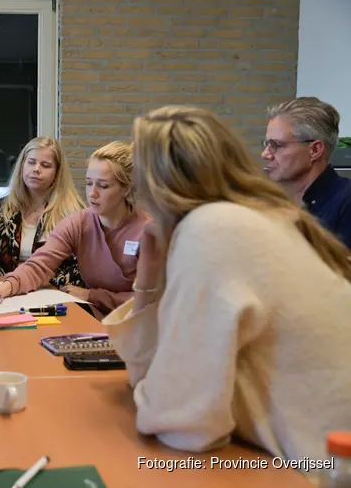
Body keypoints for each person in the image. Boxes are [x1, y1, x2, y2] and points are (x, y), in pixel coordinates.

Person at [103, 105, 351, 464]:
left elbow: (182, 422)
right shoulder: (252, 216)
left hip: (319, 468)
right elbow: (153, 376)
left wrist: (154, 391)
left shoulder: (214, 230)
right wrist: (149, 272)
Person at [0, 141, 150, 317]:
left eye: (103, 186)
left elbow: (151, 299)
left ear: (126, 189)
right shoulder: (79, 223)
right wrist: (6, 287)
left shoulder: (148, 232)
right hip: (96, 315)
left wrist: (93, 295)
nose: (92, 193)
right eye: (88, 183)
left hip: (139, 322)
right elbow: (39, 264)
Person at [0, 136, 85, 289]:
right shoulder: (1, 208)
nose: (36, 169)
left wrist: (30, 283)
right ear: (22, 166)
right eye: (31, 162)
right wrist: (8, 284)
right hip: (5, 292)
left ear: (57, 173)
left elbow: (81, 269)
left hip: (53, 295)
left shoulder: (73, 213)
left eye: (45, 165)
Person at [263, 97, 351, 248]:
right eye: (266, 144)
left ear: (315, 150)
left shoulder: (346, 204)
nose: (265, 154)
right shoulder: (275, 204)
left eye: (276, 145)